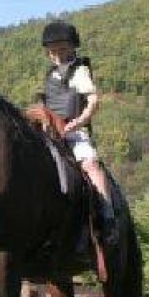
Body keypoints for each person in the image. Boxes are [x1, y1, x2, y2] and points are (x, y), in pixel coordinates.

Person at [26, 20, 117, 245]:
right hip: (49, 131)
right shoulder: (50, 75)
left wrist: (77, 123)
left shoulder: (80, 71)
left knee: (90, 164)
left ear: (72, 47)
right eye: (53, 50)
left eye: (62, 49)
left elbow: (94, 102)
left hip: (74, 131)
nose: (57, 54)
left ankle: (108, 217)